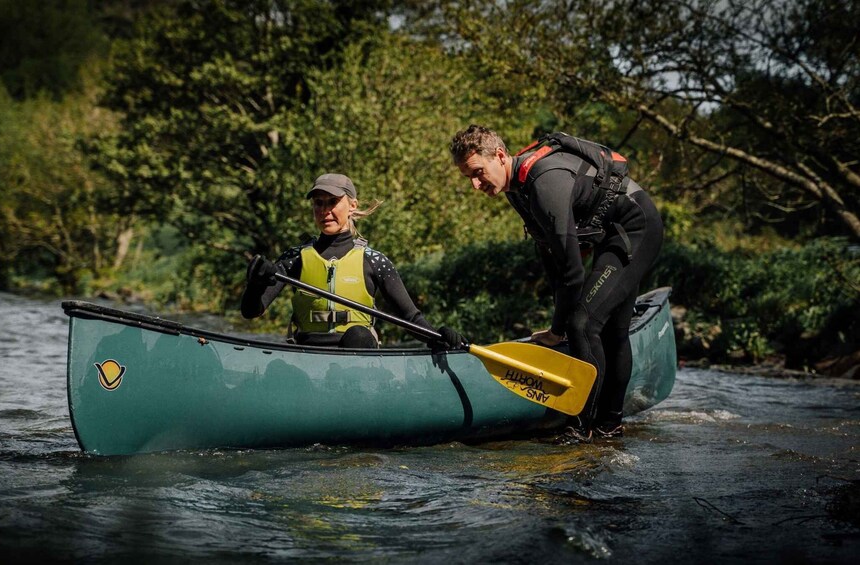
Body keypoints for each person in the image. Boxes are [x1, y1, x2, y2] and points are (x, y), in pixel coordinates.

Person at [449, 125, 663, 441]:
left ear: (499, 155)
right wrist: (557, 323)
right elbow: (552, 260)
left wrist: (558, 329)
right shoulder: (517, 188)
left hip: (636, 229)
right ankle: (608, 425)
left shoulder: (543, 182)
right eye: (468, 177)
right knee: (610, 330)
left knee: (583, 324)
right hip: (614, 235)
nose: (475, 184)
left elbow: (571, 271)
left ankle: (582, 426)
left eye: (478, 173)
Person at [241, 173, 464, 350]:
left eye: (333, 202)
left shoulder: (375, 261)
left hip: (357, 357)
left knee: (357, 335)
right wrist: (256, 284)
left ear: (352, 205)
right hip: (307, 354)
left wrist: (438, 336)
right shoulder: (294, 258)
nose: (324, 211)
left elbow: (410, 316)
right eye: (318, 203)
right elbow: (251, 311)